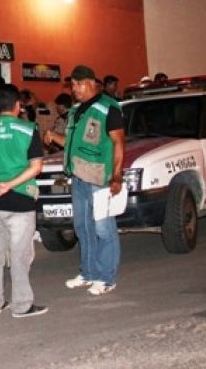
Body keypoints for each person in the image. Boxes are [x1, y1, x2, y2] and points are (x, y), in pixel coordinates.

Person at [44, 65, 125, 296]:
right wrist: (54, 137)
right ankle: (88, 272)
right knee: (83, 227)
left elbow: (119, 143)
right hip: (78, 178)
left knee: (103, 228)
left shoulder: (109, 107)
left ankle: (106, 278)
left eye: (78, 84)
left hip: (100, 178)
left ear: (90, 83)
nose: (74, 89)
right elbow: (72, 143)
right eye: (72, 85)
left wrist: (116, 176)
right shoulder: (75, 111)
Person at [0, 83, 47, 317]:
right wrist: (10, 185)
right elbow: (36, 167)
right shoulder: (28, 129)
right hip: (20, 201)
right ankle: (22, 305)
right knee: (20, 255)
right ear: (17, 105)